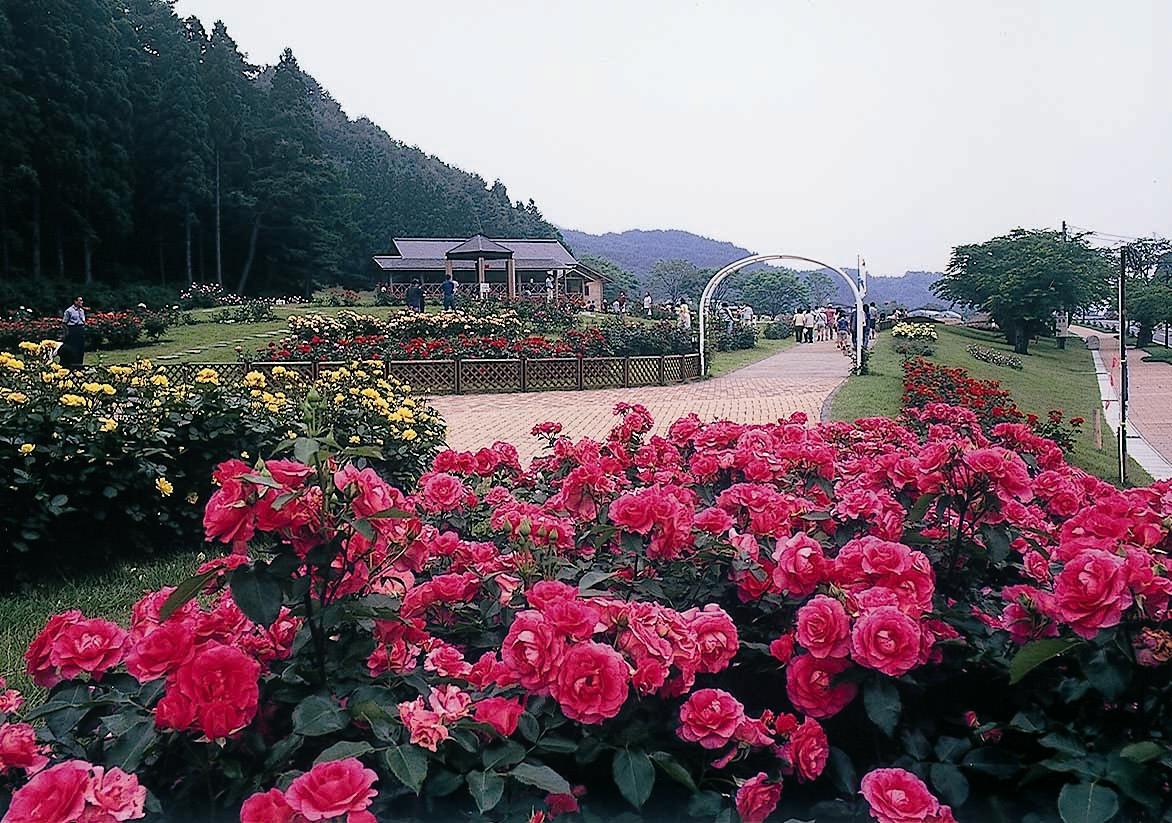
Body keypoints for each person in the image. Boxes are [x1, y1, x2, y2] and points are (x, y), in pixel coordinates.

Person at [60, 296, 87, 369]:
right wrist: (66, 333)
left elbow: (83, 321)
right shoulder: (69, 311)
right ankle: (71, 364)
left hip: (80, 329)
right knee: (72, 348)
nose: (81, 302)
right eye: (80, 301)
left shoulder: (81, 311)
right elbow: (64, 323)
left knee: (80, 348)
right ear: (75, 301)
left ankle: (79, 364)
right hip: (72, 329)